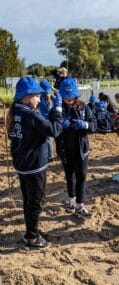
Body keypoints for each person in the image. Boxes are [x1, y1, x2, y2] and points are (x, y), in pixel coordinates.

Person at [7, 77, 63, 248]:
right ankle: (32, 238)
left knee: (28, 199)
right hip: (33, 166)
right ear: (26, 96)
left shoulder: (15, 110)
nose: (39, 99)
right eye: (37, 96)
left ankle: (32, 231)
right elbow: (54, 130)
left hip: (22, 163)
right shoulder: (30, 114)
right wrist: (57, 110)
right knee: (35, 202)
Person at [57, 77, 97, 217]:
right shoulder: (58, 108)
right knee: (70, 176)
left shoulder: (84, 107)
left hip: (82, 150)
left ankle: (80, 205)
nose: (68, 100)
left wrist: (84, 124)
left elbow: (94, 125)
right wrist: (60, 125)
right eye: (65, 97)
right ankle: (71, 200)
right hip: (65, 150)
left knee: (82, 176)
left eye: (71, 97)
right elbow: (50, 126)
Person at [39, 79, 54, 161]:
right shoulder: (51, 98)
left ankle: (48, 156)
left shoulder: (39, 98)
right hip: (50, 120)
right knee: (49, 139)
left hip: (42, 119)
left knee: (45, 139)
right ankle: (50, 155)